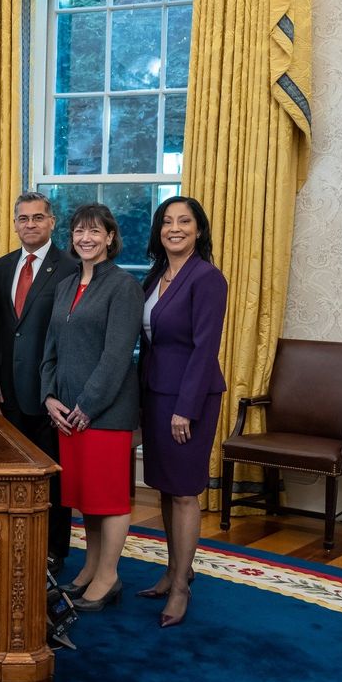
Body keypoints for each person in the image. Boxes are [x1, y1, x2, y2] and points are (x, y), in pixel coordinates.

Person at [40, 203, 143, 612]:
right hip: (66, 413)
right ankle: (90, 569)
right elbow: (51, 348)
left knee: (110, 498)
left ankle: (109, 576)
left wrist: (86, 405)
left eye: (95, 232)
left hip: (105, 414)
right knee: (87, 498)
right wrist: (49, 398)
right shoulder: (66, 285)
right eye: (80, 231)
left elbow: (118, 356)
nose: (86, 238)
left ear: (110, 238)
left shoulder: (123, 286)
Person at [137, 196, 228, 628]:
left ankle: (180, 589)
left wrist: (185, 409)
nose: (175, 228)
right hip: (156, 394)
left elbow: (205, 347)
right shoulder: (157, 276)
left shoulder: (207, 278)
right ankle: (175, 569)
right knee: (165, 487)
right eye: (167, 221)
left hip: (189, 400)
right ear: (158, 230)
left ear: (198, 229)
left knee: (186, 491)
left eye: (184, 221)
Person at [0, 192, 79, 575]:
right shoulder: (0, 267)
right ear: (14, 224)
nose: (30, 224)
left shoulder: (71, 268)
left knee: (50, 477)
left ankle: (54, 549)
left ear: (52, 223)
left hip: (50, 393)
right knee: (13, 474)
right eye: (23, 218)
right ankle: (14, 544)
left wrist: (55, 389)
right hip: (7, 391)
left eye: (38, 217)